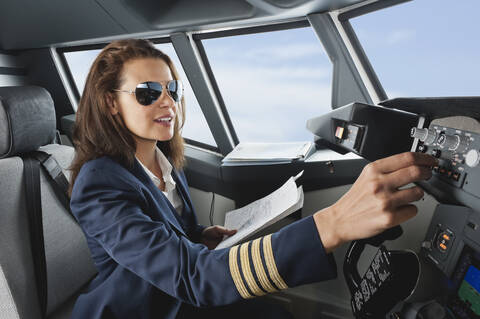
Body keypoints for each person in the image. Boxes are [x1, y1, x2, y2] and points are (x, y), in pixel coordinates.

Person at [68, 38, 437, 319]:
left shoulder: (162, 161)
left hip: (177, 299)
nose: (168, 103)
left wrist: (198, 235)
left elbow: (166, 238)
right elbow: (190, 276)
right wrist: (333, 223)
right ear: (110, 103)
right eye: (148, 93)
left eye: (173, 90)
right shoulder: (98, 182)